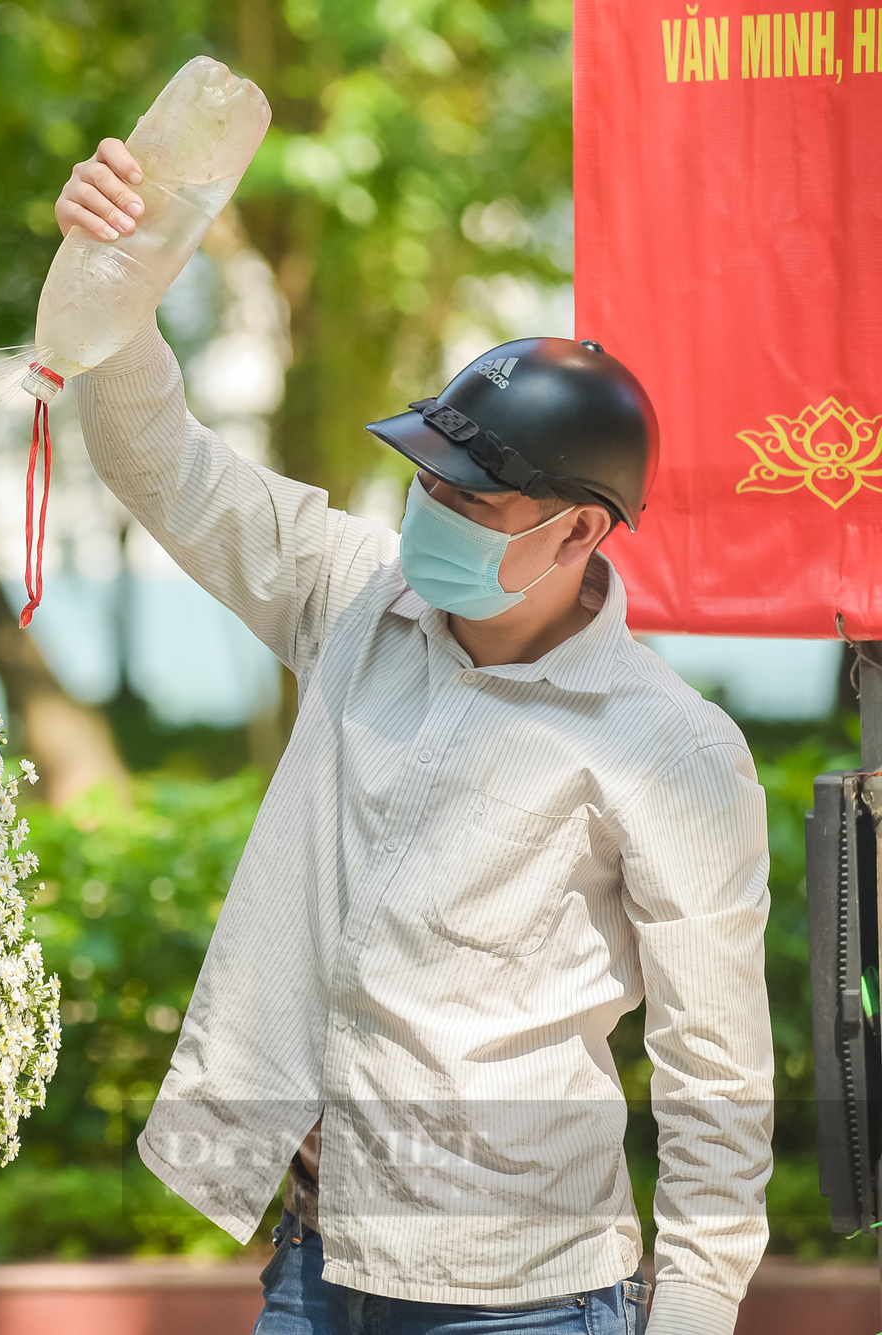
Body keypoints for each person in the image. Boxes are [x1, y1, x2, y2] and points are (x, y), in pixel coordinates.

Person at [55, 140, 773, 1335]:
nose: (428, 513)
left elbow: (715, 1080)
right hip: (314, 1262)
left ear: (579, 532)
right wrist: (116, 275)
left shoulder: (671, 747)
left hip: (523, 1298)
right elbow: (160, 465)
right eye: (425, 482)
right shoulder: (355, 598)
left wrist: (691, 1314)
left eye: (471, 501)